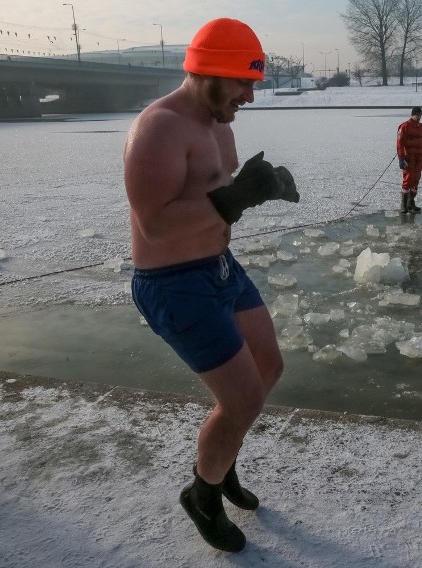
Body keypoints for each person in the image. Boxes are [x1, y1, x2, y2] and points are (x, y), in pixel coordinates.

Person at [124, 18, 299, 553]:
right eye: (244, 83)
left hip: (220, 267)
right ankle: (202, 494)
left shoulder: (220, 125)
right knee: (242, 398)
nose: (250, 95)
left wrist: (255, 189)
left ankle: (220, 465)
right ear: (210, 73)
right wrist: (235, 198)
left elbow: (217, 202)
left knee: (269, 366)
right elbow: (154, 223)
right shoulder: (159, 129)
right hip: (173, 284)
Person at [396, 106, 422, 214]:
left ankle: (411, 203)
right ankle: (404, 204)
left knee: (416, 180)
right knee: (408, 180)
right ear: (412, 114)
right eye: (417, 115)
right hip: (408, 158)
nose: (419, 117)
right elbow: (399, 144)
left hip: (419, 158)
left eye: (420, 115)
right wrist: (401, 158)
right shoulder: (404, 127)